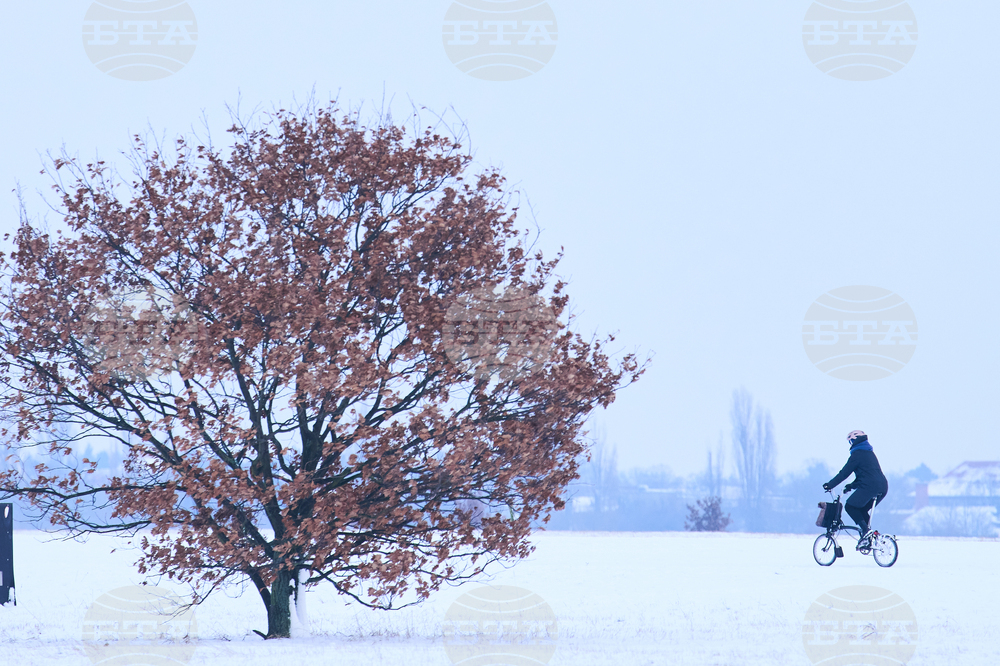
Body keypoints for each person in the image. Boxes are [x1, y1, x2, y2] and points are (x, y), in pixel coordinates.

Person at [823, 430, 889, 548]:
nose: (850, 444)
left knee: (850, 506)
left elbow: (844, 473)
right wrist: (851, 486)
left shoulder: (857, 454)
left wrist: (830, 485)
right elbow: (866, 475)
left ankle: (866, 531)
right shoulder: (869, 453)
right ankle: (870, 536)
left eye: (851, 441)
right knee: (861, 509)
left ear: (855, 440)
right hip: (882, 486)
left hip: (870, 486)